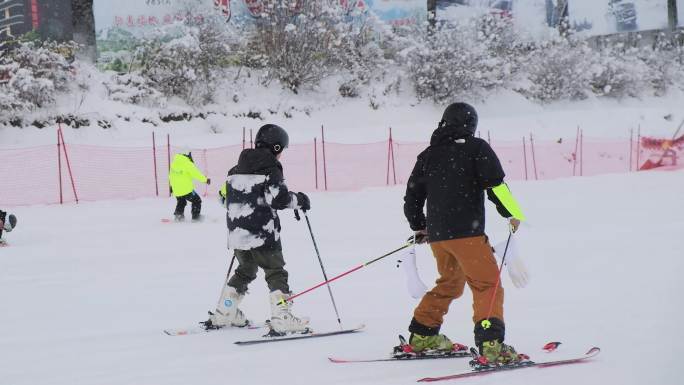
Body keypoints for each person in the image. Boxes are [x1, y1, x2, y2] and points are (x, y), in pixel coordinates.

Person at [403, 102, 526, 364]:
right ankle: (491, 345)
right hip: (467, 234)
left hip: (439, 237)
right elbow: (496, 186)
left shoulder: (428, 155)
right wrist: (513, 214)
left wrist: (419, 226)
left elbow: (412, 193)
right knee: (487, 285)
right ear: (471, 125)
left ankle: (423, 335)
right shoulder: (476, 148)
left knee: (451, 282)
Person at [203, 124, 311, 335]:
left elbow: (224, 198)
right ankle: (282, 317)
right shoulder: (271, 167)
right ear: (276, 147)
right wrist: (299, 200)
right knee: (275, 272)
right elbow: (278, 198)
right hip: (262, 233)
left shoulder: (234, 170)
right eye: (282, 150)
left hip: (237, 233)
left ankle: (225, 312)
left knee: (245, 270)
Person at [168, 149, 210, 221]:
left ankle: (178, 216)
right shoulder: (187, 163)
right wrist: (205, 180)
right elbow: (196, 174)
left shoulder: (174, 163)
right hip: (186, 190)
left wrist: (171, 186)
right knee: (197, 200)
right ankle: (196, 217)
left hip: (177, 190)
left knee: (181, 201)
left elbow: (171, 176)